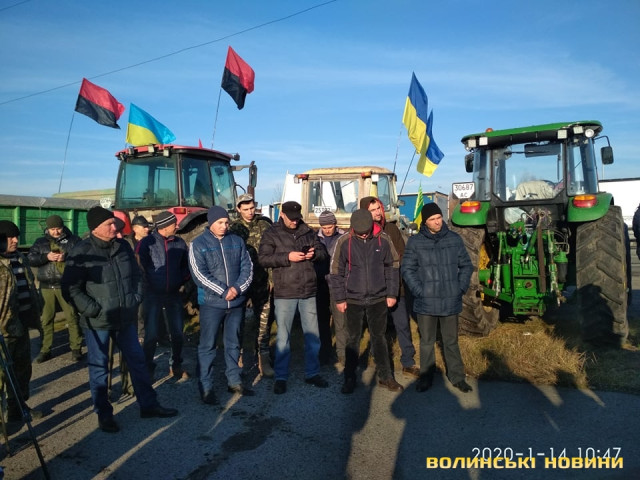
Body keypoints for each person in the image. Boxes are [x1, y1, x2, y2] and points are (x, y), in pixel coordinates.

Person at [61, 206, 177, 433]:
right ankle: (104, 415)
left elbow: (137, 274)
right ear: (95, 228)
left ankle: (149, 405)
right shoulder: (82, 252)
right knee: (99, 369)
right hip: (98, 322)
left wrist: (135, 297)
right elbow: (70, 288)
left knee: (138, 362)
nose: (115, 227)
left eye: (114, 223)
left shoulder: (123, 246)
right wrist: (92, 309)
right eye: (109, 224)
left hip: (125, 318)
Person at [328, 209, 403, 394]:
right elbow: (336, 272)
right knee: (352, 339)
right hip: (352, 299)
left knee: (379, 338)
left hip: (379, 297)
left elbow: (393, 266)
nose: (363, 234)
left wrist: (392, 293)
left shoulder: (383, 239)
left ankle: (386, 377)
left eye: (366, 231)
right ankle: (349, 378)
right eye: (359, 232)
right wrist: (340, 298)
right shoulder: (343, 241)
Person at [401, 203, 474, 393]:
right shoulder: (415, 242)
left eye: (439, 217)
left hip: (450, 299)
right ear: (425, 222)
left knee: (451, 341)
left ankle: (457, 377)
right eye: (432, 219)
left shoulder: (454, 239)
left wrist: (459, 288)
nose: (437, 222)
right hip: (426, 302)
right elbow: (407, 269)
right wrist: (420, 291)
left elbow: (466, 266)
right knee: (427, 342)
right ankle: (426, 378)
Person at [258, 201, 329, 394]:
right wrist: (287, 257)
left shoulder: (308, 231)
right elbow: (263, 258)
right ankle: (281, 377)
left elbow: (323, 253)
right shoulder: (271, 233)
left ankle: (312, 373)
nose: (294, 221)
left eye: (297, 218)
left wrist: (314, 255)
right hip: (285, 292)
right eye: (291, 218)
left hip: (308, 290)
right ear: (282, 214)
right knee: (283, 338)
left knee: (313, 336)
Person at [189, 206, 254, 404]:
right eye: (220, 223)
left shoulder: (237, 241)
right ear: (211, 223)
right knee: (208, 346)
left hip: (236, 303)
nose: (224, 226)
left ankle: (234, 380)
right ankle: (206, 386)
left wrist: (237, 289)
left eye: (226, 222)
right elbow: (199, 274)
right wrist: (224, 291)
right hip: (212, 304)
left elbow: (247, 268)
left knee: (234, 343)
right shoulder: (198, 244)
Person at [360, 196, 419, 378]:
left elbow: (402, 254)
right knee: (377, 327)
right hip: (374, 289)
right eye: (372, 210)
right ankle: (377, 358)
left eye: (379, 208)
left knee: (402, 325)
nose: (378, 212)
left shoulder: (392, 229)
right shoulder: (361, 232)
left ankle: (408, 361)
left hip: (396, 286)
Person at [137, 211, 191, 380]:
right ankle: (147, 368)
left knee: (177, 333)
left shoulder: (180, 243)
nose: (177, 226)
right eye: (174, 224)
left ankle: (176, 365)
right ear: (165, 226)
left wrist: (181, 279)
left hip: (173, 294)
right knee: (151, 334)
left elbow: (186, 265)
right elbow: (138, 267)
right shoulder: (147, 243)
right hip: (152, 295)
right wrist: (148, 285)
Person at [0, 224, 44, 423]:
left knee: (22, 371)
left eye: (16, 236)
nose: (16, 241)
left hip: (22, 325)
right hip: (3, 330)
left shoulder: (20, 259)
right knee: (1, 376)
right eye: (10, 237)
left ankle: (17, 408)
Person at [229, 193, 275, 377]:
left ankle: (264, 359)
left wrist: (272, 278)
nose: (250, 212)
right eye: (245, 209)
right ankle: (238, 358)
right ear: (239, 209)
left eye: (252, 208)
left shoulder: (265, 225)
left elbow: (272, 253)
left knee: (264, 322)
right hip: (241, 282)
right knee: (237, 322)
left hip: (262, 281)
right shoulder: (234, 228)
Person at [27, 215, 83, 362]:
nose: (56, 232)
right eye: (52, 229)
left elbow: (83, 257)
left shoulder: (74, 240)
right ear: (48, 228)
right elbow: (31, 259)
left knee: (72, 317)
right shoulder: (40, 242)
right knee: (46, 319)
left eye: (58, 228)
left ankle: (76, 348)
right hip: (46, 286)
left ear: (63, 227)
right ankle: (45, 349)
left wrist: (67, 258)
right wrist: (46, 257)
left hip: (66, 285)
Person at [315, 210, 347, 365]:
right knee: (322, 322)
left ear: (335, 224)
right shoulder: (315, 238)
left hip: (338, 284)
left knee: (341, 321)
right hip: (320, 283)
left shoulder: (344, 237)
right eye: (324, 227)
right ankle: (325, 353)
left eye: (330, 226)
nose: (327, 230)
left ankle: (342, 353)